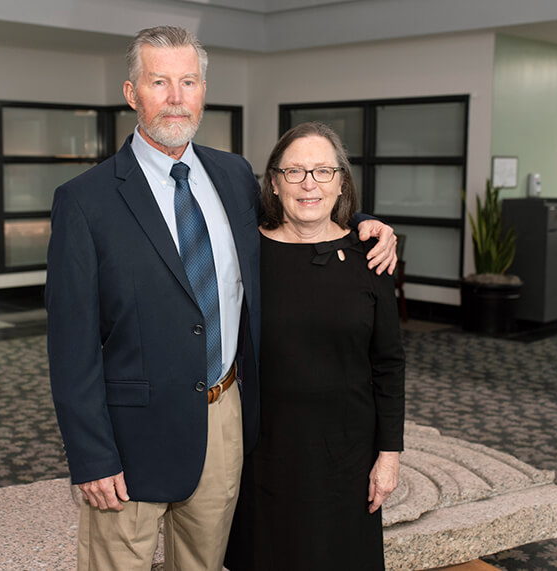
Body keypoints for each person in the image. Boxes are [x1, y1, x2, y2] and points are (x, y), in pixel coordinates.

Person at [46, 26, 398, 571]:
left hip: (224, 418)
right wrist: (91, 456)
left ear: (204, 91)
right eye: (158, 81)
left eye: (188, 81)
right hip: (132, 435)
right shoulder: (85, 202)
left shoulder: (232, 176)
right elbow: (71, 347)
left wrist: (367, 225)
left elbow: (302, 218)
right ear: (131, 92)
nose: (175, 96)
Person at [225, 122, 406, 571]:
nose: (309, 184)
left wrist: (389, 456)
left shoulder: (372, 259)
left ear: (341, 182)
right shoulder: (244, 254)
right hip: (264, 455)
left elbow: (388, 364)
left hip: (347, 456)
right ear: (273, 181)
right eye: (295, 172)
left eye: (323, 171)